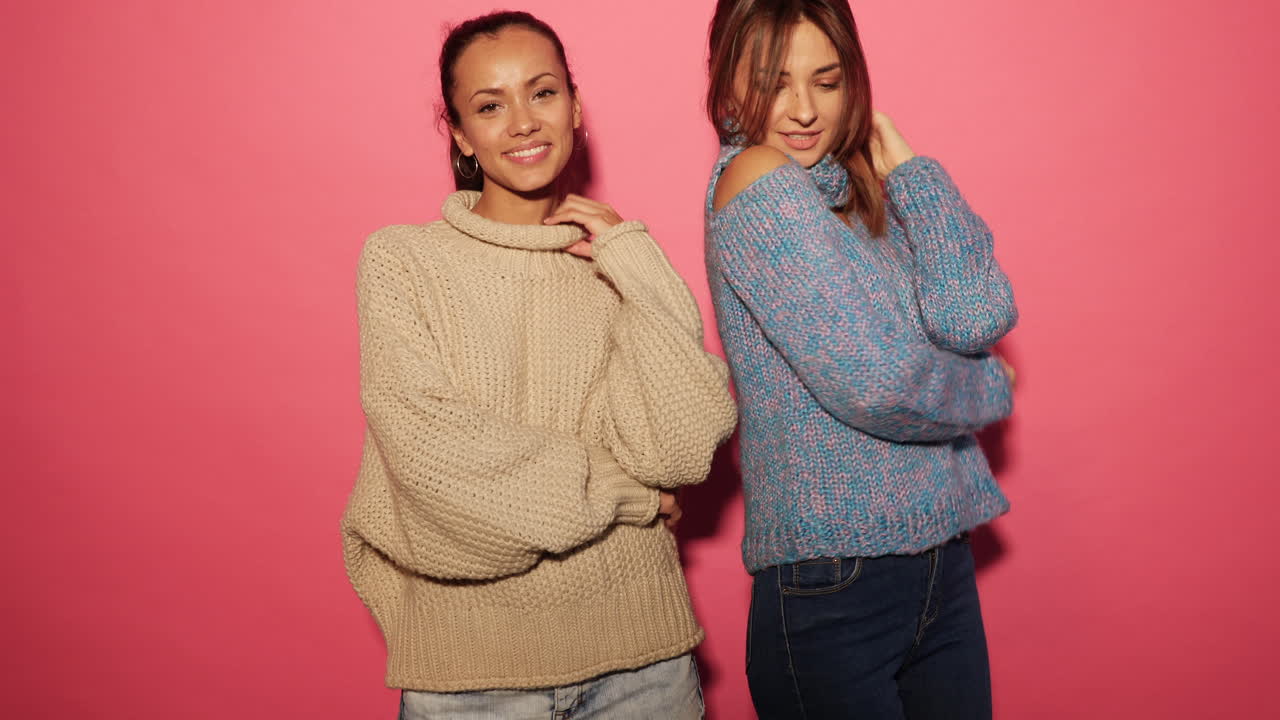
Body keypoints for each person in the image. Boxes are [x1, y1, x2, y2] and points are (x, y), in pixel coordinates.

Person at [341, 11, 736, 719]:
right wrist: (630, 497)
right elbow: (439, 462)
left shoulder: (613, 265)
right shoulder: (403, 261)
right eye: (490, 106)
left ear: (576, 107)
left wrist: (633, 257)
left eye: (542, 93)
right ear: (460, 133)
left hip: (645, 666)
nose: (523, 122)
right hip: (470, 681)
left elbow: (680, 445)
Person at [703, 1, 1018, 718]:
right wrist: (991, 386)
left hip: (941, 562)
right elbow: (880, 383)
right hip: (833, 588)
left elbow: (976, 315)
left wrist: (911, 172)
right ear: (726, 88)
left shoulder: (857, 191)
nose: (804, 108)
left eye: (828, 79)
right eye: (774, 81)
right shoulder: (754, 181)